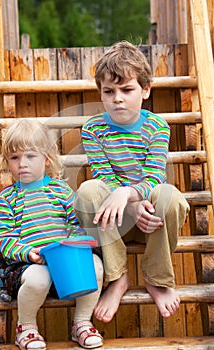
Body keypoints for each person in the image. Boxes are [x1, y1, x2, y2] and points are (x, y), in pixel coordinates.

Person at [74, 40, 190, 323]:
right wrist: (128, 205)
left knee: (170, 195)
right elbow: (104, 177)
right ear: (100, 94)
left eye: (127, 90)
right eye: (109, 91)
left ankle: (157, 278)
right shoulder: (93, 129)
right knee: (89, 190)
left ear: (145, 90)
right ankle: (117, 278)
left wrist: (130, 196)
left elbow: (153, 176)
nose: (118, 98)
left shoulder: (157, 127)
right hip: (112, 226)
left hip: (152, 222)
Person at [0, 119, 104, 350]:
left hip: (64, 264)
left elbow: (75, 223)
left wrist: (74, 243)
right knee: (38, 278)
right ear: (7, 162)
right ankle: (26, 327)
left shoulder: (60, 191)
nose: (22, 164)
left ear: (47, 159)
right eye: (15, 158)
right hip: (27, 266)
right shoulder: (7, 199)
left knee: (96, 265)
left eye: (30, 156)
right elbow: (2, 236)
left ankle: (82, 322)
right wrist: (26, 252)